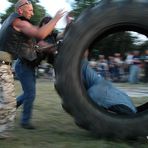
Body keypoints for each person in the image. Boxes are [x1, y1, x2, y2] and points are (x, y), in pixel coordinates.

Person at [1, 0, 65, 131]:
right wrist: (57, 18)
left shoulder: (47, 35)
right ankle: (20, 123)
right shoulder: (24, 25)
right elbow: (42, 42)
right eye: (30, 10)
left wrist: (71, 27)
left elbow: (59, 36)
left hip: (16, 65)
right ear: (20, 10)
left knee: (20, 96)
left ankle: (8, 117)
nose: (32, 13)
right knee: (28, 94)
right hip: (19, 65)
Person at [81, 50, 137, 115]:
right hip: (130, 106)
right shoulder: (96, 80)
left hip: (123, 108)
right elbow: (84, 56)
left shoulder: (93, 91)